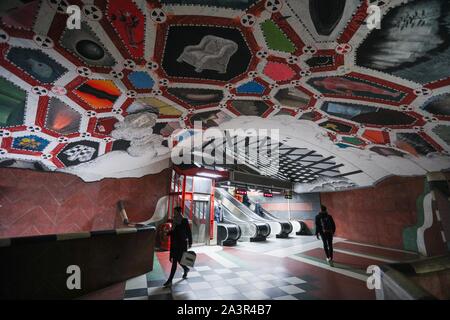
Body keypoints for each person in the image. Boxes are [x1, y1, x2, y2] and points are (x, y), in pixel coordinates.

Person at [163, 206, 192, 287]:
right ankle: (186, 269)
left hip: (181, 244)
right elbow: (173, 231)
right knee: (178, 260)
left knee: (177, 260)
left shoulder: (184, 220)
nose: (174, 213)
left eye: (175, 212)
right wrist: (167, 233)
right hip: (175, 244)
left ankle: (170, 280)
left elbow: (188, 232)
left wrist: (190, 243)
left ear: (179, 212)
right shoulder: (174, 221)